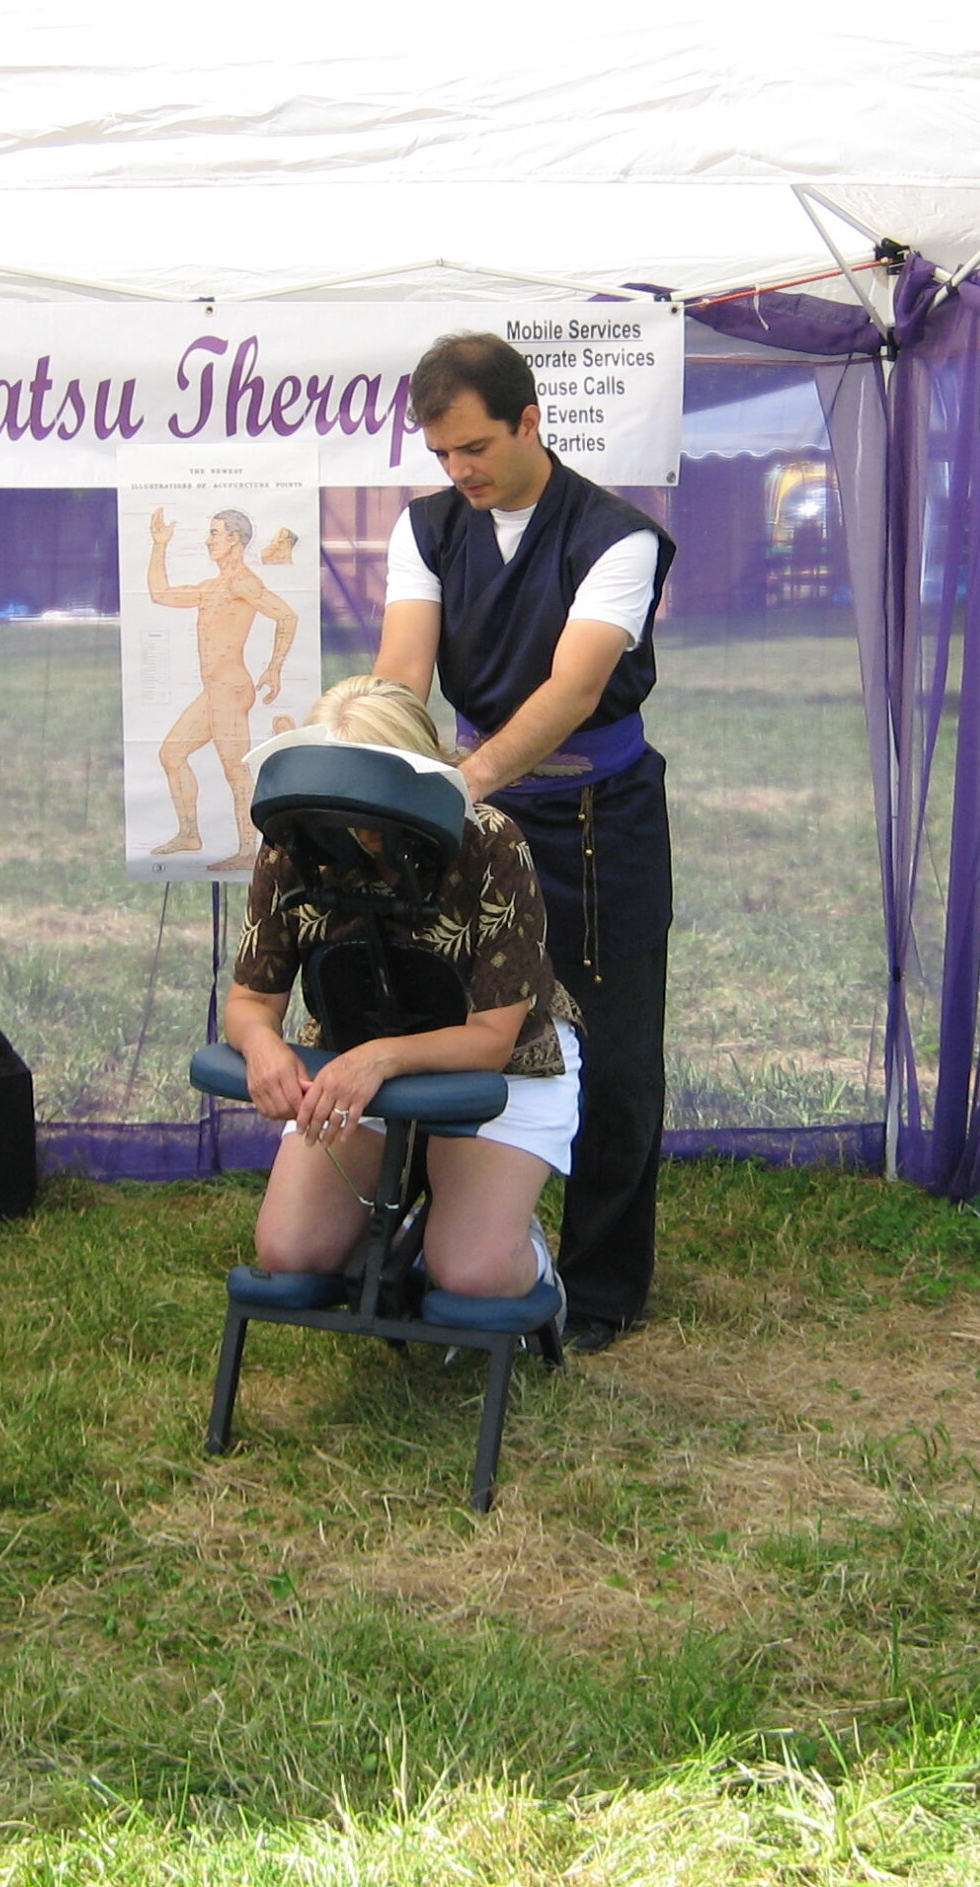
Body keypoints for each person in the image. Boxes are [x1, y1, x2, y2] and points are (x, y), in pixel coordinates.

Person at [371, 332, 675, 1350]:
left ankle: (601, 1291)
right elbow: (402, 673)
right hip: (468, 814)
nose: (458, 470)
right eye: (440, 453)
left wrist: (462, 783)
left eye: (474, 447)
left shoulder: (618, 538)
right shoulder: (425, 530)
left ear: (530, 422)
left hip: (599, 822)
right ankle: (429, 1246)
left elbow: (574, 689)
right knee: (443, 1022)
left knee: (615, 1054)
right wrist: (386, 778)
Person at [227, 676, 581, 1309]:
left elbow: (491, 1040)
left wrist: (381, 1057)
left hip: (500, 1067)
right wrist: (262, 1048)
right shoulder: (296, 842)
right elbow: (251, 1001)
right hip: (351, 1053)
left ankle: (507, 1243)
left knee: (473, 1272)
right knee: (290, 1252)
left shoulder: (491, 843)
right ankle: (402, 1232)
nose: (358, 834)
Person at [145, 506, 298, 871]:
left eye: (214, 533)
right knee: (171, 754)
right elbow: (159, 593)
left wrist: (274, 667)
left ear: (234, 539)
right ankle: (189, 834)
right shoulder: (211, 587)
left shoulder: (242, 582)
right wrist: (159, 544)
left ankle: (248, 851)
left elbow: (287, 615)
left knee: (235, 771)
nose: (208, 540)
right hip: (214, 691)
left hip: (231, 689)